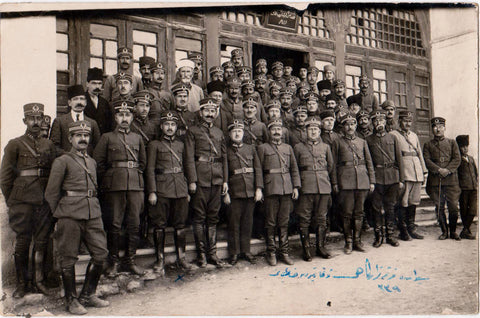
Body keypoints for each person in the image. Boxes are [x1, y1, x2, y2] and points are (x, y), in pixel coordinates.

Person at [45, 120, 109, 315]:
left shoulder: (91, 162)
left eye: (86, 136)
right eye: (78, 136)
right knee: (68, 258)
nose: (83, 139)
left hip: (92, 213)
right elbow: (51, 193)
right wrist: (62, 213)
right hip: (69, 214)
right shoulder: (62, 161)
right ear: (71, 139)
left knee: (100, 254)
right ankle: (71, 301)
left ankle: (88, 294)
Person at [0, 103, 57, 298]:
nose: (35, 122)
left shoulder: (48, 145)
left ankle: (39, 281)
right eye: (31, 119)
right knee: (23, 241)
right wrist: (12, 200)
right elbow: (5, 178)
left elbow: (54, 172)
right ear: (25, 121)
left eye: (39, 118)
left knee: (41, 241)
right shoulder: (14, 144)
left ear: (43, 120)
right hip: (22, 201)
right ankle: (22, 284)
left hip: (43, 200)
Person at [93, 99, 147, 276]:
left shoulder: (137, 138)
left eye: (128, 115)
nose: (125, 118)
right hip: (114, 186)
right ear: (116, 117)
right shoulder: (107, 137)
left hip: (135, 186)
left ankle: (130, 261)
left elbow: (143, 163)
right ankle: (113, 262)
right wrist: (108, 182)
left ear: (132, 117)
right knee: (114, 224)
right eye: (121, 115)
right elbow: (98, 164)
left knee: (134, 223)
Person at [146, 110, 192, 275]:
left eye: (173, 124)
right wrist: (152, 191)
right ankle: (160, 259)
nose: (170, 127)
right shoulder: (154, 145)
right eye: (167, 124)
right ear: (161, 126)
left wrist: (188, 186)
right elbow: (150, 170)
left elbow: (187, 165)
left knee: (181, 224)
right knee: (160, 225)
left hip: (179, 187)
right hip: (162, 188)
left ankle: (182, 258)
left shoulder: (181, 145)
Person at [185, 98, 228, 268]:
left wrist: (225, 180)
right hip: (201, 179)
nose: (210, 114)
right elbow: (189, 157)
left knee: (213, 217)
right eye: (207, 111)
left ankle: (213, 254)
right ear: (200, 112)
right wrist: (193, 180)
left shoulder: (219, 132)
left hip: (216, 179)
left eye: (213, 111)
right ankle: (201, 255)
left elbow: (224, 158)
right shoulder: (193, 131)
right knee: (199, 217)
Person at [257, 119, 300, 266]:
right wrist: (260, 188)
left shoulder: (288, 148)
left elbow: (294, 168)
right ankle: (271, 252)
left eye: (279, 129)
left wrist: (295, 187)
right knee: (270, 221)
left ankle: (285, 252)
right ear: (269, 132)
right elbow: (259, 170)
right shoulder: (262, 148)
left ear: (282, 132)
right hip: (271, 188)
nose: (276, 131)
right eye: (273, 129)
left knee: (284, 221)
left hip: (287, 187)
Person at [331, 112, 375, 254]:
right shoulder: (337, 142)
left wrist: (372, 181)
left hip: (362, 180)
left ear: (356, 125)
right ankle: (348, 241)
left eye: (352, 124)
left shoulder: (362, 142)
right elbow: (333, 165)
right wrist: (335, 182)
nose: (350, 127)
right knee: (347, 212)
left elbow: (369, 162)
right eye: (347, 124)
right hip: (346, 181)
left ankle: (357, 240)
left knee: (359, 212)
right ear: (343, 127)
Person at [294, 116, 336, 261]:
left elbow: (330, 166)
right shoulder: (298, 147)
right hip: (306, 186)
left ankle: (320, 247)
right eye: (310, 129)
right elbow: (295, 168)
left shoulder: (325, 147)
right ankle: (306, 249)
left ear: (319, 131)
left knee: (321, 218)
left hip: (323, 186)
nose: (313, 131)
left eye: (316, 129)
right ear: (305, 131)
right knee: (304, 218)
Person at [224, 120, 263, 265]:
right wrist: (226, 192)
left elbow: (258, 169)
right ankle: (234, 253)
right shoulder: (226, 150)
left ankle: (246, 250)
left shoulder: (251, 149)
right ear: (229, 134)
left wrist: (259, 188)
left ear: (243, 133)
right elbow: (225, 172)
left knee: (248, 222)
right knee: (234, 223)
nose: (237, 133)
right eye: (234, 131)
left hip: (250, 190)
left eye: (239, 131)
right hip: (234, 191)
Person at [365, 110, 402, 248]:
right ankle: (378, 236)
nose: (378, 123)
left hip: (392, 176)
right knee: (376, 208)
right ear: (372, 123)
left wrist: (401, 179)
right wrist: (371, 180)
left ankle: (390, 235)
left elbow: (399, 159)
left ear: (385, 122)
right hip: (377, 177)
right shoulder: (368, 140)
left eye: (381, 120)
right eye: (375, 121)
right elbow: (368, 161)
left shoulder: (393, 138)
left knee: (390, 207)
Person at [390, 111, 427, 241]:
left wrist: (423, 170)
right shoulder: (393, 135)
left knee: (414, 201)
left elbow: (419, 153)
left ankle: (412, 228)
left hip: (416, 170)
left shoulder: (414, 135)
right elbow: (393, 156)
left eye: (409, 121)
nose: (407, 123)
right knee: (403, 201)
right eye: (405, 121)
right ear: (399, 121)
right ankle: (403, 229)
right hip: (404, 171)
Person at [423, 117, 462, 240]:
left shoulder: (452, 143)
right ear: (432, 129)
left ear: (444, 128)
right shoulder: (428, 144)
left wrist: (448, 170)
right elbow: (427, 160)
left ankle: (453, 232)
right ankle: (444, 231)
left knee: (453, 208)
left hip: (451, 181)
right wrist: (439, 170)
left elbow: (457, 159)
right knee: (439, 207)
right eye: (435, 127)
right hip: (436, 181)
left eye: (440, 126)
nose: (437, 129)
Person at [50, 84, 101, 156]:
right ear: (69, 103)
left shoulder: (92, 123)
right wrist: (70, 156)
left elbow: (98, 147)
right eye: (75, 99)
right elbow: (54, 147)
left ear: (85, 102)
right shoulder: (60, 121)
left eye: (81, 99)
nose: (79, 102)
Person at [455, 135, 477, 239]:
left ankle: (465, 230)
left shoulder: (471, 159)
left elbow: (476, 173)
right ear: (458, 147)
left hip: (473, 188)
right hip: (463, 189)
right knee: (464, 210)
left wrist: (476, 183)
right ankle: (466, 230)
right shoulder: (457, 160)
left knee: (473, 210)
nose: (465, 149)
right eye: (463, 147)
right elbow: (456, 175)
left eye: (466, 146)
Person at [84, 67, 113, 134]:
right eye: (94, 83)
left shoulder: (104, 102)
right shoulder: (81, 100)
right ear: (87, 84)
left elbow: (108, 124)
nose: (97, 86)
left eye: (99, 83)